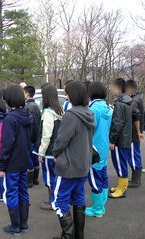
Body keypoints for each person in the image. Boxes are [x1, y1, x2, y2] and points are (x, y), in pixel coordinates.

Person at [52, 80, 94, 239]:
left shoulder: (71, 115)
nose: (66, 95)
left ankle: (68, 236)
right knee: (78, 197)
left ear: (73, 95)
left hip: (68, 166)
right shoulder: (89, 113)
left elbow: (61, 141)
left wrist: (56, 154)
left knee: (58, 201)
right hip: (83, 165)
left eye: (67, 92)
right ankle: (78, 235)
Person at [0, 84, 33, 236]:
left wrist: (1, 165)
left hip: (12, 163)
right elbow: (33, 137)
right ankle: (23, 224)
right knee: (23, 191)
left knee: (12, 192)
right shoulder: (28, 114)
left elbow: (7, 145)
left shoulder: (10, 119)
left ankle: (15, 226)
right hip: (25, 160)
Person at [85, 81, 112, 218]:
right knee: (103, 175)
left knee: (95, 179)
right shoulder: (107, 108)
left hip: (93, 149)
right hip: (103, 148)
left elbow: (88, 130)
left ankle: (98, 208)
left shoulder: (92, 110)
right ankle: (102, 203)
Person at [35, 85, 63, 210]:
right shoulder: (59, 111)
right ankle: (57, 200)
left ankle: (53, 202)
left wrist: (41, 152)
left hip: (49, 152)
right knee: (56, 176)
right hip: (57, 150)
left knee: (49, 177)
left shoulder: (47, 113)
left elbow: (46, 135)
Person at [109, 78, 135, 199]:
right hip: (125, 138)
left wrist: (112, 140)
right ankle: (121, 185)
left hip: (120, 140)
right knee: (121, 162)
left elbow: (117, 123)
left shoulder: (120, 103)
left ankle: (122, 188)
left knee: (119, 163)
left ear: (118, 87)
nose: (110, 89)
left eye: (112, 86)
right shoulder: (127, 101)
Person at [125, 80, 144, 188]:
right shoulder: (137, 98)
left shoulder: (133, 101)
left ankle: (136, 180)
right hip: (135, 134)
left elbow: (135, 116)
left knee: (133, 155)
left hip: (132, 134)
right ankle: (135, 178)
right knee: (135, 154)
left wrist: (138, 132)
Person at [24, 85, 41, 187]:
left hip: (29, 136)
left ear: (26, 93)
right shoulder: (36, 106)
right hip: (36, 136)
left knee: (29, 158)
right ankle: (35, 179)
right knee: (35, 158)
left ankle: (29, 181)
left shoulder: (26, 106)